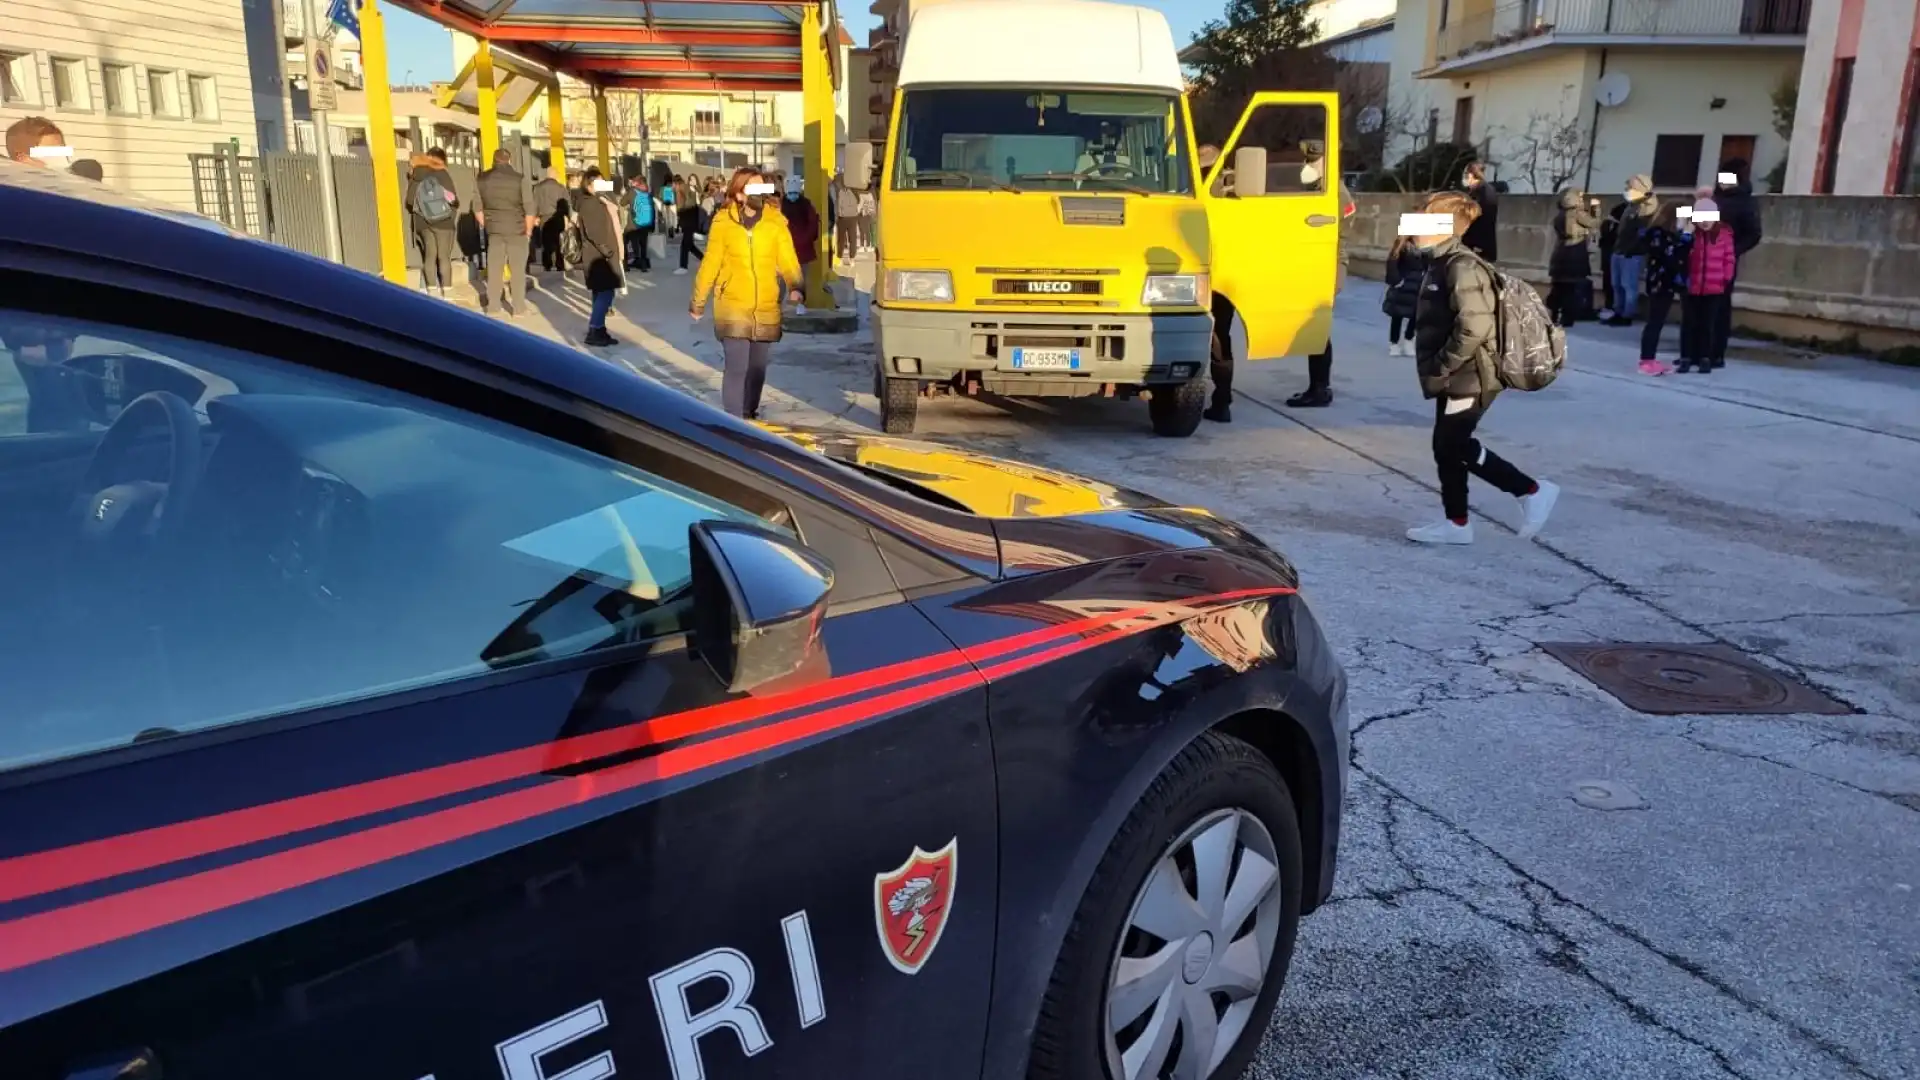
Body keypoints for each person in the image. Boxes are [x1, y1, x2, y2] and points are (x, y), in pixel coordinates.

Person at [1403, 190, 1559, 546]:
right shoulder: (1439, 262)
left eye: (1420, 218)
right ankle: (1456, 524)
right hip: (1458, 374)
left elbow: (1475, 327)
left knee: (1453, 444)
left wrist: (1442, 366)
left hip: (1471, 376)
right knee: (1446, 446)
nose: (1411, 225)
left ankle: (1532, 491)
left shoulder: (1461, 266)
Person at [690, 169, 805, 420]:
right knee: (737, 366)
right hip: (732, 303)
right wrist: (698, 301)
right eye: (752, 188)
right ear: (739, 193)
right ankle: (733, 420)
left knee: (757, 369)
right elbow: (710, 263)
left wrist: (796, 286)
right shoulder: (723, 223)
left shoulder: (775, 222)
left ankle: (748, 411)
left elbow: (787, 258)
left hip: (765, 303)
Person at [1280, 179, 1357, 410]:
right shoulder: (1322, 188)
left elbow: (1339, 225)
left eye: (1312, 160)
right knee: (1316, 329)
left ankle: (1320, 389)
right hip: (1320, 261)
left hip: (1328, 263)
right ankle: (1318, 387)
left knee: (1318, 329)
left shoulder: (1335, 190)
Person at [1711, 160, 1764, 365]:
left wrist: (1732, 251)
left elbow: (1754, 234)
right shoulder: (1715, 200)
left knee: (1720, 306)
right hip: (1702, 257)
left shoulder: (1745, 203)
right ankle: (1697, 350)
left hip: (1725, 261)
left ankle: (1716, 352)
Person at [475, 149, 536, 316]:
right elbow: (529, 208)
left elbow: (477, 208)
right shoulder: (520, 179)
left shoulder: (482, 178)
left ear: (494, 160)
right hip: (517, 230)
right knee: (517, 271)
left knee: (494, 270)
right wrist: (528, 231)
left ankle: (493, 307)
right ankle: (518, 308)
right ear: (509, 160)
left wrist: (488, 225)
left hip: (495, 231)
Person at [1680, 198, 1737, 374]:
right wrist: (1685, 232)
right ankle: (1686, 357)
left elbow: (1729, 258)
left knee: (1708, 325)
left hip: (1714, 287)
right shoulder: (1690, 234)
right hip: (1692, 286)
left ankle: (1706, 357)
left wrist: (1725, 278)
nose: (1705, 222)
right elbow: (1680, 254)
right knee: (1689, 324)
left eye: (1709, 217)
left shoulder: (1724, 235)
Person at [1638, 201, 1691, 375]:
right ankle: (1646, 361)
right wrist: (1685, 240)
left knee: (1657, 322)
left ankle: (1649, 358)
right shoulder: (1659, 235)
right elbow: (1671, 257)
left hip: (1663, 282)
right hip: (1660, 283)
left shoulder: (1664, 234)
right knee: (1654, 322)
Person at [575, 166, 626, 349]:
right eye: (598, 182)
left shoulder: (598, 200)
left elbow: (616, 188)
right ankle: (595, 329)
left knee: (601, 293)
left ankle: (599, 327)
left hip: (600, 254)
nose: (603, 184)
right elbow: (595, 232)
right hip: (599, 256)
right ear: (589, 185)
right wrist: (608, 251)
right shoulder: (590, 204)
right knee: (606, 293)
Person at [405, 148, 461, 297]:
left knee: (430, 256)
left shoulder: (416, 175)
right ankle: (448, 293)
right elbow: (455, 200)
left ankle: (432, 291)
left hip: (423, 222)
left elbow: (410, 202)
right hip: (443, 221)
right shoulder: (441, 172)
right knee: (443, 256)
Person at [1606, 174, 1659, 326]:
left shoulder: (1647, 206)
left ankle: (1627, 314)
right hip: (1620, 249)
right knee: (1616, 284)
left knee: (1628, 285)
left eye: (1630, 187)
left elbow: (1642, 232)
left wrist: (1632, 248)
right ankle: (1618, 311)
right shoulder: (1632, 205)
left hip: (1633, 252)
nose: (1627, 190)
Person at [1547, 188, 1600, 327]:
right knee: (1571, 287)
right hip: (1575, 251)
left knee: (1558, 286)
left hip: (1561, 252)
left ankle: (1554, 314)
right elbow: (1594, 223)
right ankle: (1567, 317)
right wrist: (1595, 209)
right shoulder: (1577, 214)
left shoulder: (1560, 215)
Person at [1381, 233, 1427, 357]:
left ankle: (1408, 340)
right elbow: (1392, 261)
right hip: (1403, 284)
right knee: (1397, 315)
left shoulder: (1428, 244)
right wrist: (1396, 280)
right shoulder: (1402, 244)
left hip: (1419, 284)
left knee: (1416, 315)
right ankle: (1394, 343)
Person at [531, 162, 570, 273]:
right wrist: (568, 218)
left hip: (544, 218)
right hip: (558, 217)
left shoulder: (537, 188)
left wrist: (535, 216)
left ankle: (547, 264)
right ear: (556, 175)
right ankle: (559, 264)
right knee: (559, 242)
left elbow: (534, 203)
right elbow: (567, 204)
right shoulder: (560, 188)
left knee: (546, 242)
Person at [782, 173, 822, 281]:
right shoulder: (782, 205)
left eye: (794, 193)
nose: (792, 195)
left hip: (798, 250)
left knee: (798, 282)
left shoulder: (805, 204)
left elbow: (813, 224)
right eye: (790, 193)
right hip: (790, 250)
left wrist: (804, 239)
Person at [1461, 162, 1499, 261]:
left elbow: (1481, 218)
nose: (1465, 178)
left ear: (1472, 175)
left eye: (1466, 174)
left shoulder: (1484, 192)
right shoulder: (1477, 190)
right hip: (1475, 244)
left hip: (1479, 246)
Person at [675, 176, 705, 275]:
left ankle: (683, 266)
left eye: (694, 179)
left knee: (685, 244)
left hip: (692, 219)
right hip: (688, 219)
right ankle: (703, 259)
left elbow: (697, 203)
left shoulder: (697, 191)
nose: (692, 181)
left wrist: (696, 191)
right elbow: (683, 206)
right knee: (689, 244)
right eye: (691, 179)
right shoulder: (686, 190)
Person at [625, 176, 654, 271]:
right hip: (645, 223)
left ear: (636, 183)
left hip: (633, 223)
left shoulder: (632, 192)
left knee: (626, 241)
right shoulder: (647, 192)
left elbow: (622, 202)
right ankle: (644, 266)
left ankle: (626, 265)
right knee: (643, 244)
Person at [835, 174, 862, 261]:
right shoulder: (852, 191)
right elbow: (859, 201)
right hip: (848, 217)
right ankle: (849, 258)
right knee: (849, 239)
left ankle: (845, 257)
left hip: (845, 218)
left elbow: (859, 201)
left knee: (844, 239)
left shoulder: (841, 191)